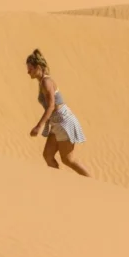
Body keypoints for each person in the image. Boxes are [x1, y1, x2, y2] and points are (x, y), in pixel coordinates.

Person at [26, 49, 90, 177]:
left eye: (30, 69)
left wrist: (38, 126)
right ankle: (58, 181)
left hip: (63, 120)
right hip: (56, 122)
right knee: (48, 155)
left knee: (68, 159)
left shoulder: (46, 82)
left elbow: (51, 106)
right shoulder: (42, 82)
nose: (28, 72)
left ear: (38, 67)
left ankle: (93, 183)